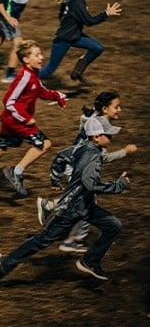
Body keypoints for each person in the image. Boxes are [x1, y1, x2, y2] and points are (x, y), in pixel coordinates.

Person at [0, 116, 131, 287]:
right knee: (42, 240)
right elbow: (90, 183)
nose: (111, 138)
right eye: (108, 135)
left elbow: (62, 155)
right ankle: (3, 264)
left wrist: (56, 178)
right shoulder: (92, 155)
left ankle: (90, 261)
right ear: (96, 137)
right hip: (73, 207)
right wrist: (119, 185)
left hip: (84, 204)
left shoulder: (84, 148)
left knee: (113, 225)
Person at [0, 40, 67, 201]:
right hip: (16, 121)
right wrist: (25, 118)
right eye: (37, 55)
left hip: (10, 120)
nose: (41, 57)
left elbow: (40, 90)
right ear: (26, 59)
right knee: (44, 144)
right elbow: (8, 100)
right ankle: (16, 171)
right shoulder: (24, 76)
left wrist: (57, 96)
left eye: (40, 54)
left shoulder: (33, 74)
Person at [37, 90, 137, 253]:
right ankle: (71, 240)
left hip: (76, 164)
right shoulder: (99, 128)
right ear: (105, 109)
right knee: (88, 202)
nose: (120, 110)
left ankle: (49, 206)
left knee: (81, 200)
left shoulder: (97, 122)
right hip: (76, 167)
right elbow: (101, 158)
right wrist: (124, 152)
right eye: (116, 107)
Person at [39, 0, 122, 86]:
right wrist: (106, 14)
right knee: (49, 70)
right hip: (64, 38)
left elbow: (61, 13)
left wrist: (68, 24)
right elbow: (89, 21)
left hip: (74, 35)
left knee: (97, 48)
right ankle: (26, 78)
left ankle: (77, 72)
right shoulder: (77, 0)